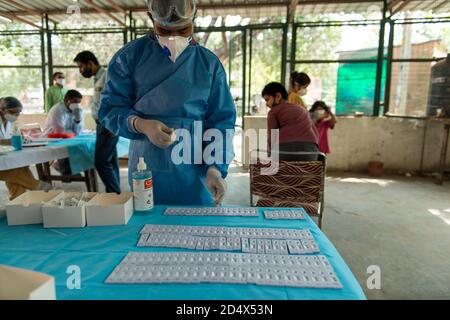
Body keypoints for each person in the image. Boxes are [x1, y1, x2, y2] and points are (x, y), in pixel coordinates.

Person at [99, 0, 236, 206]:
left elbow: (221, 121)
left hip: (195, 170)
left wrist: (215, 168)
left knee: (197, 231)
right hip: (146, 167)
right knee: (147, 228)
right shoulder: (129, 58)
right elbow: (109, 109)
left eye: (183, 30)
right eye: (164, 30)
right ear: (150, 18)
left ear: (193, 19)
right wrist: (140, 124)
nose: (174, 37)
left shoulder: (208, 64)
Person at [74, 51, 121, 194]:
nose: (81, 70)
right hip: (103, 124)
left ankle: (113, 194)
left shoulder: (106, 76)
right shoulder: (99, 78)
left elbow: (114, 100)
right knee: (110, 161)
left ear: (90, 63)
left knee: (101, 162)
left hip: (107, 125)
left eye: (81, 66)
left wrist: (110, 124)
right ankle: (115, 195)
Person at [0, 97, 52, 200]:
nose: (16, 116)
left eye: (18, 113)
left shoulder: (9, 123)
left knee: (19, 166)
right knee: (16, 168)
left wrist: (22, 139)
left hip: (4, 158)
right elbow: (7, 141)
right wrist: (9, 142)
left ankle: (17, 204)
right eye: (13, 112)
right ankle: (36, 185)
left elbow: (12, 138)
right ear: (2, 110)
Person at [262, 82, 319, 161]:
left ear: (278, 96)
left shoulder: (273, 111)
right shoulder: (301, 109)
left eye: (267, 99)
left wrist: (270, 154)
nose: (266, 104)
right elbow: (315, 132)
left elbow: (272, 136)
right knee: (304, 171)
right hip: (310, 152)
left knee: (283, 171)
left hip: (284, 152)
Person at [42, 90, 84, 176]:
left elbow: (78, 132)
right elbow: (59, 131)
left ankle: (69, 169)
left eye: (79, 102)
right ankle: (64, 169)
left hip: (68, 136)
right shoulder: (57, 109)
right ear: (66, 100)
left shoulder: (77, 110)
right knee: (68, 144)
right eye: (75, 101)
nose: (77, 104)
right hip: (52, 137)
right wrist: (72, 134)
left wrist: (77, 120)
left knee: (83, 144)